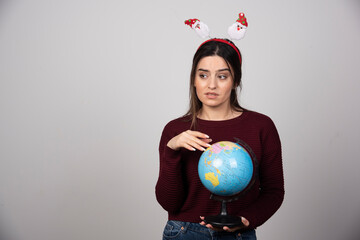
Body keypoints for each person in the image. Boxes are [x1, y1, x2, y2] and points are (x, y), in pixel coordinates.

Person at [155, 38, 284, 240]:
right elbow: (169, 204)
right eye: (203, 75)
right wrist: (171, 151)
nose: (211, 85)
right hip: (184, 232)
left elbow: (274, 191)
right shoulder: (175, 130)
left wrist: (247, 219)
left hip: (239, 233)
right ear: (193, 80)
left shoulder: (262, 126)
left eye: (222, 76)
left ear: (236, 81)